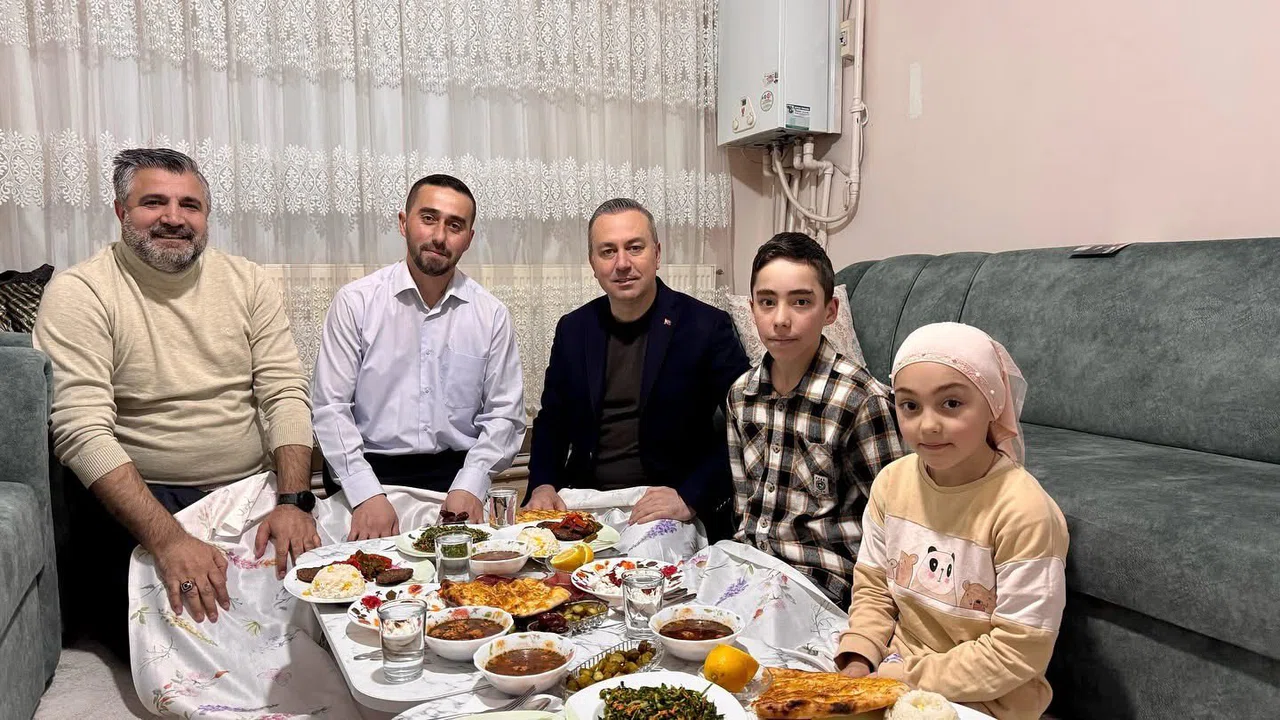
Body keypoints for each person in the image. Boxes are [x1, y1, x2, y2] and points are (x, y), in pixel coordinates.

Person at [33, 148, 318, 658]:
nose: (173, 217)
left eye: (190, 205)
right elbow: (81, 431)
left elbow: (284, 391)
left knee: (325, 599)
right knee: (206, 638)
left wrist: (293, 501)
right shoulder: (81, 292)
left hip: (249, 489)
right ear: (121, 211)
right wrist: (168, 541)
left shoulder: (249, 281)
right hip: (145, 502)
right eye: (154, 203)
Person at [835, 322, 1069, 720]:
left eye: (951, 403)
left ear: (993, 404)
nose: (928, 425)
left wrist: (901, 677)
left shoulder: (1025, 513)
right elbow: (874, 588)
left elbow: (1018, 650)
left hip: (991, 697)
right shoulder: (891, 483)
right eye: (910, 406)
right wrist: (859, 656)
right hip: (894, 668)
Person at [312, 174, 525, 539]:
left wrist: (471, 483)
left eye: (454, 225)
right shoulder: (356, 303)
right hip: (366, 479)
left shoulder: (490, 315)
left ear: (469, 238)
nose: (439, 236)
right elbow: (331, 408)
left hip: (456, 481)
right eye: (428, 218)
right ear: (403, 223)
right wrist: (365, 494)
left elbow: (504, 414)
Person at [525, 198, 749, 530]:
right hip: (586, 502)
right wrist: (543, 483)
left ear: (657, 254)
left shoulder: (706, 327)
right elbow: (552, 421)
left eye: (634, 248)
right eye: (608, 251)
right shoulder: (573, 329)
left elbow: (746, 423)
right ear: (592, 263)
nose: (622, 263)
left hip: (668, 504)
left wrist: (690, 495)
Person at [727, 233, 906, 605]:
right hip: (751, 568)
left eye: (801, 302)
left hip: (823, 583)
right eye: (767, 302)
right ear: (752, 309)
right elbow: (744, 505)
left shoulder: (861, 399)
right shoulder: (741, 395)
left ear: (830, 310)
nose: (781, 320)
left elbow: (895, 521)